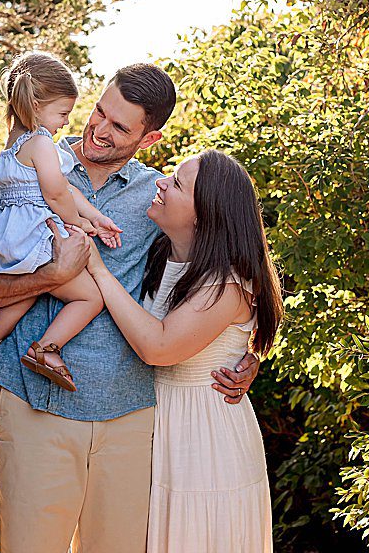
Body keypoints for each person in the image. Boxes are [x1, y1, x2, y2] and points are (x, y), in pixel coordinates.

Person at [0, 64, 260, 553]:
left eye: (119, 127)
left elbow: (229, 267)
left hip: (130, 419)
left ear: (149, 137)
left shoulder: (159, 197)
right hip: (35, 408)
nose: (97, 129)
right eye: (99, 111)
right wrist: (49, 276)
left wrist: (242, 352)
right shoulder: (29, 163)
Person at [86, 150, 282, 553]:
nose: (160, 183)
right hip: (150, 422)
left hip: (203, 441)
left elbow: (159, 346)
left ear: (203, 214)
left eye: (175, 183)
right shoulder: (160, 254)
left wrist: (98, 270)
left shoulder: (227, 284)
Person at [0, 52, 123, 433]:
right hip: (37, 240)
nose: (67, 121)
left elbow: (62, 188)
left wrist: (96, 217)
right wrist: (80, 225)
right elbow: (56, 194)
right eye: (62, 113)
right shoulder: (42, 144)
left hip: (7, 244)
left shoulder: (15, 142)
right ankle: (46, 349)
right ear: (37, 106)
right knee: (91, 297)